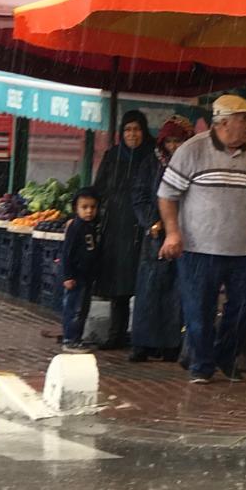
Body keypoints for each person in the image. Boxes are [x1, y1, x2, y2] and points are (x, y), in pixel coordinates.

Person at [158, 94, 246, 384]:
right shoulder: (192, 149)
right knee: (199, 310)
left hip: (245, 248)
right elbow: (167, 195)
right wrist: (173, 233)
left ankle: (226, 357)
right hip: (199, 248)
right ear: (223, 122)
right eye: (243, 119)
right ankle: (202, 365)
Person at [129, 115, 195, 363]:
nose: (173, 146)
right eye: (169, 142)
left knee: (175, 290)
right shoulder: (152, 163)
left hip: (185, 234)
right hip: (155, 237)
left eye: (178, 141)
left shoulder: (193, 164)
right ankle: (142, 343)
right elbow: (140, 195)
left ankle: (170, 345)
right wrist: (153, 222)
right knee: (149, 289)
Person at [93, 110, 153, 349]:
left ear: (144, 131)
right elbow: (99, 188)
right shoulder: (113, 156)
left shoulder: (151, 156)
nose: (132, 134)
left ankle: (141, 337)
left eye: (137, 129)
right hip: (116, 226)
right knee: (117, 283)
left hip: (143, 225)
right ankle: (115, 333)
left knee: (143, 283)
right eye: (127, 130)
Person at [60, 187, 101, 353]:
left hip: (86, 275)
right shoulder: (75, 227)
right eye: (84, 207)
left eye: (93, 207)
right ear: (76, 208)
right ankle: (70, 339)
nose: (89, 211)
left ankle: (77, 338)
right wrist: (68, 276)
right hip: (76, 276)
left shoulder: (91, 226)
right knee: (74, 309)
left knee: (83, 308)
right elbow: (67, 253)